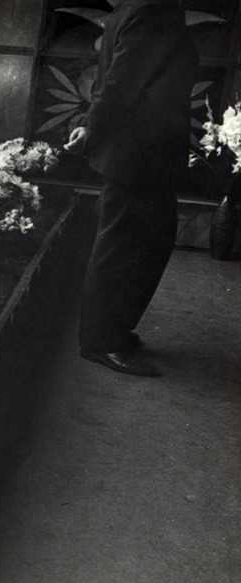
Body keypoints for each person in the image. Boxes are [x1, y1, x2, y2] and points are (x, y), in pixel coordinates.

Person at [64, 0, 198, 377]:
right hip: (137, 155)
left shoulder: (136, 7)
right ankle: (102, 341)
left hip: (142, 154)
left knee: (140, 244)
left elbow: (115, 77)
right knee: (123, 248)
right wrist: (91, 129)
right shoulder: (152, 8)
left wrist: (90, 126)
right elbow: (120, 81)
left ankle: (112, 332)